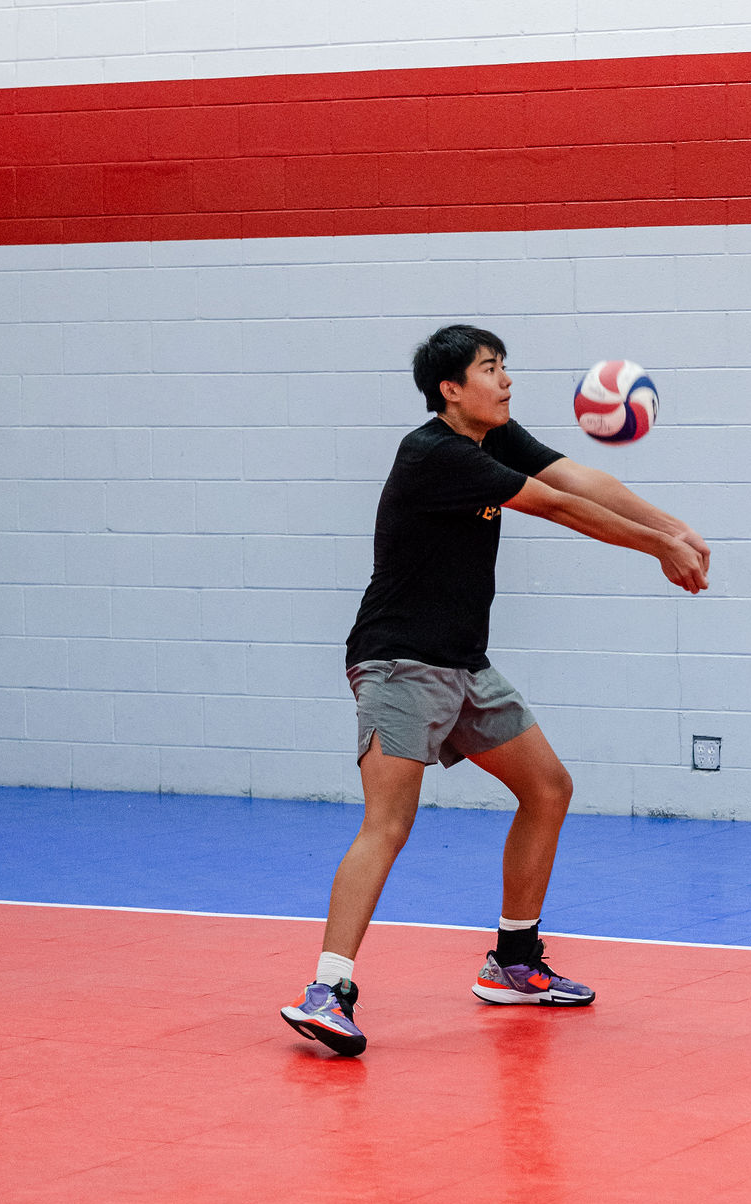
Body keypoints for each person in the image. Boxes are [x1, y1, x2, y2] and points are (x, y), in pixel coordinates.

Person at [281, 324, 710, 1056]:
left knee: (547, 788)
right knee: (388, 823)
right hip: (400, 663)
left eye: (506, 366)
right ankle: (328, 990)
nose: (506, 380)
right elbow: (556, 507)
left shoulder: (494, 436)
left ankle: (513, 962)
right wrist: (657, 550)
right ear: (452, 389)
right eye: (490, 369)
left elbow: (577, 478)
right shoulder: (435, 453)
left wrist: (669, 523)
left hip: (464, 663)